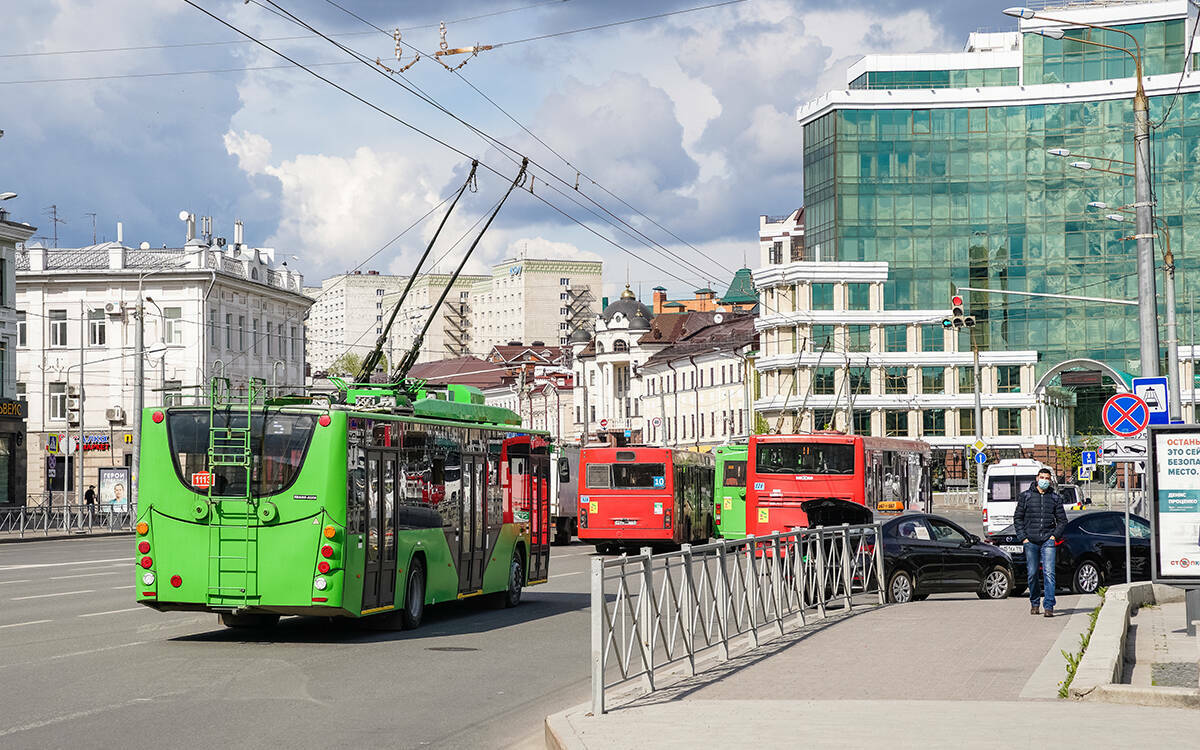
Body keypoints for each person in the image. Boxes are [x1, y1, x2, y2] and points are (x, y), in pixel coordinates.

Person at [1014, 467, 1068, 617]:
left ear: (1050, 480)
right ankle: (1035, 602)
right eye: (1042, 477)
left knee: (1049, 573)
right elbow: (1018, 518)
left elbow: (1062, 521)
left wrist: (1054, 536)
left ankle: (1049, 605)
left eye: (1047, 478)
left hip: (1048, 540)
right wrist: (1023, 537)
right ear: (1037, 478)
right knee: (1032, 574)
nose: (1044, 480)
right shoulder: (1026, 496)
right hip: (1030, 541)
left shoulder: (1055, 498)